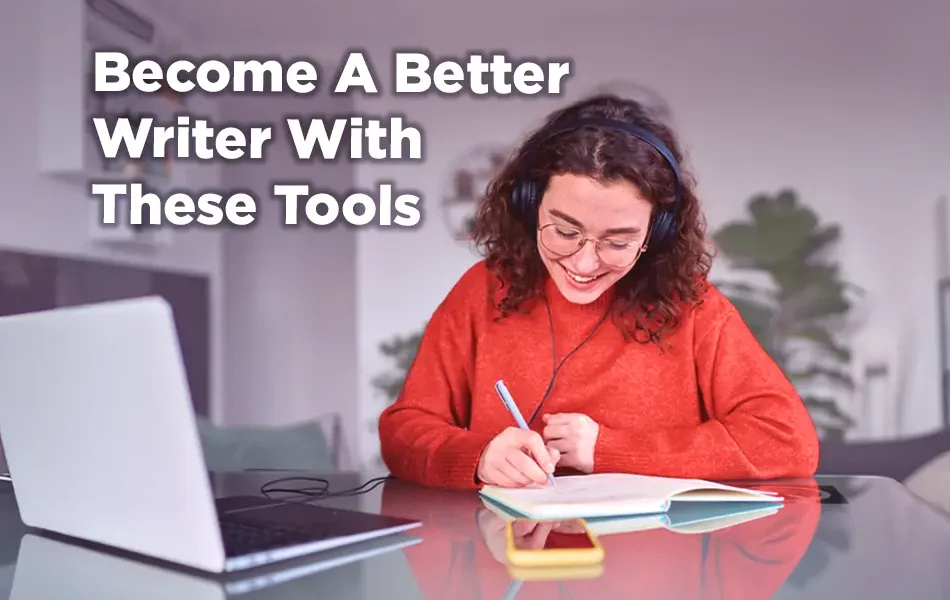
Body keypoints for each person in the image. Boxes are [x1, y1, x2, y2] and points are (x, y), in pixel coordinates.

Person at [377, 93, 820, 490]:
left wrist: (608, 450)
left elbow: (787, 441)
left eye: (618, 242)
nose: (585, 264)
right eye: (565, 232)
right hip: (508, 570)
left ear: (656, 233)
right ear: (532, 208)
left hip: (658, 577)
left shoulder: (695, 308)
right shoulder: (483, 290)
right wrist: (479, 458)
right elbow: (404, 432)